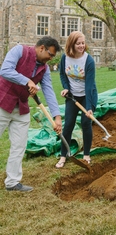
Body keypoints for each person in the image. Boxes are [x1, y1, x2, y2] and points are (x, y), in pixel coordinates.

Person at [0, 36, 62, 192]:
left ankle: (12, 182)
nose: (51, 58)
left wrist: (57, 116)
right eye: (51, 54)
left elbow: (48, 90)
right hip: (3, 102)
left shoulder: (45, 68)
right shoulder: (19, 50)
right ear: (41, 48)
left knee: (19, 145)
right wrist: (27, 81)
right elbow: (5, 70)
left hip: (21, 107)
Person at [56, 31, 98, 168]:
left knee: (86, 122)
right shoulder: (65, 58)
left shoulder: (89, 60)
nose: (81, 46)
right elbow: (62, 74)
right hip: (72, 96)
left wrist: (90, 107)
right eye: (78, 43)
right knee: (68, 125)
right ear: (71, 44)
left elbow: (90, 85)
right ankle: (63, 156)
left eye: (83, 43)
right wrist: (66, 88)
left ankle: (86, 155)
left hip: (87, 96)